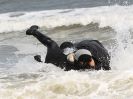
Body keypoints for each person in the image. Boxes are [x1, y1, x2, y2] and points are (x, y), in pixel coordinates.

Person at [26, 25, 111, 71]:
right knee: (64, 48)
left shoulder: (102, 58)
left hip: (92, 45)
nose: (87, 65)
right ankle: (33, 32)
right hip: (78, 48)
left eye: (89, 62)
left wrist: (40, 62)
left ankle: (34, 32)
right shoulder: (69, 61)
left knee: (62, 52)